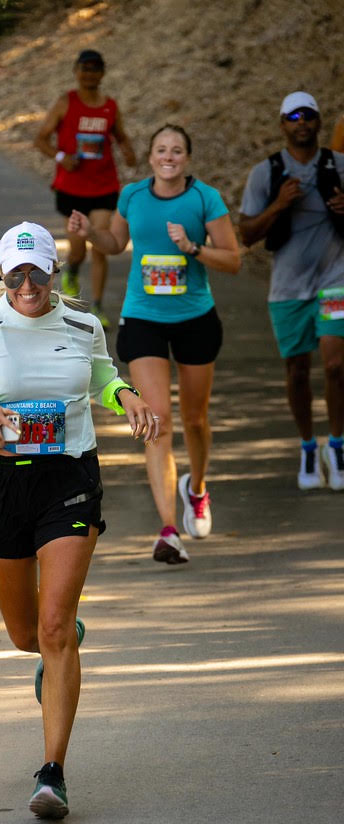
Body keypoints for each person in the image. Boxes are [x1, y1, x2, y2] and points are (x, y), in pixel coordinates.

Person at [0, 222, 158, 819]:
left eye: (38, 273)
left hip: (68, 480)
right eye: (16, 273)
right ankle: (57, 651)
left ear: (53, 272)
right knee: (28, 636)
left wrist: (123, 395)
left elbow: (98, 374)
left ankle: (53, 773)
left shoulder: (81, 324)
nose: (27, 285)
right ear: (2, 275)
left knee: (52, 626)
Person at [69, 125, 241, 563]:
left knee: (196, 419)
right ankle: (168, 530)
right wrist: (90, 231)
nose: (169, 156)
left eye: (177, 150)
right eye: (161, 149)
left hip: (195, 319)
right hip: (143, 318)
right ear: (150, 157)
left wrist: (193, 248)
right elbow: (115, 243)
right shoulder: (132, 196)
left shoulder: (205, 199)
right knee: (158, 418)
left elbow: (234, 260)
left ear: (187, 158)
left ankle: (197, 490)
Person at [239, 92, 344, 491]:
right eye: (293, 117)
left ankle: (337, 444)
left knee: (336, 366)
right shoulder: (266, 173)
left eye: (309, 116)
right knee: (297, 373)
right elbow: (246, 233)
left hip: (335, 279)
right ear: (282, 124)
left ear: (319, 122)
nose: (302, 123)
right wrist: (279, 205)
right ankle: (307, 446)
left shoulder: (339, 166)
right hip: (287, 287)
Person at [33, 49, 136, 328]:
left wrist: (129, 153)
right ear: (76, 71)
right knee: (77, 249)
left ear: (102, 73)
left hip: (103, 185)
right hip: (72, 188)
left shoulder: (110, 106)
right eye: (84, 68)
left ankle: (98, 308)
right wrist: (61, 158)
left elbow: (121, 136)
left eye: (95, 69)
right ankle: (73, 271)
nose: (89, 74)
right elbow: (40, 139)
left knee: (100, 245)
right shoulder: (66, 102)